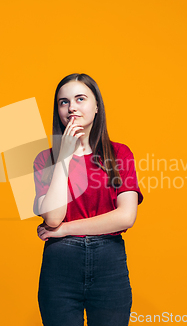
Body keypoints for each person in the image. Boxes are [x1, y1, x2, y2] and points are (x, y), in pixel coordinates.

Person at [32, 73, 144, 326]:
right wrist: (64, 156)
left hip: (109, 264)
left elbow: (126, 217)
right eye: (63, 102)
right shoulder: (45, 159)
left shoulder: (119, 154)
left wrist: (65, 230)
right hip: (60, 266)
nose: (71, 107)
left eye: (80, 99)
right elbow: (52, 217)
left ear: (96, 107)